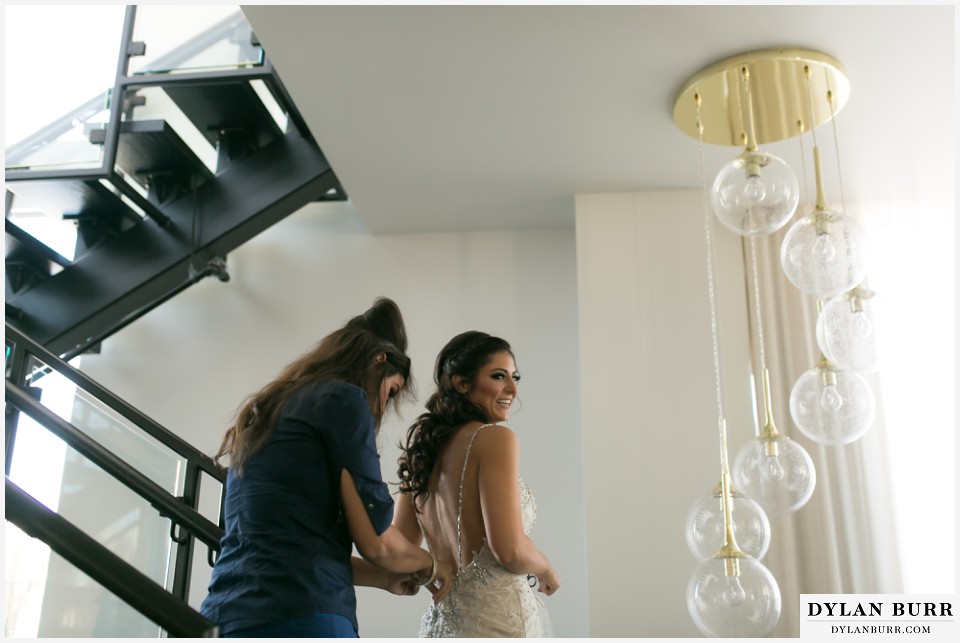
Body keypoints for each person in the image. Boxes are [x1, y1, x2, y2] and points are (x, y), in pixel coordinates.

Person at [199, 297, 452, 638]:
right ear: (379, 360)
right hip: (302, 617)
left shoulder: (268, 411)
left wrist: (384, 578)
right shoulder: (343, 401)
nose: (382, 405)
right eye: (390, 392)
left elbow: (290, 548)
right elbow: (377, 544)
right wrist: (431, 564)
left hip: (226, 616)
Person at [395, 331, 560, 637]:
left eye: (515, 377)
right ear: (461, 383)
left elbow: (400, 547)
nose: (512, 388)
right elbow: (509, 549)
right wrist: (545, 567)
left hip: (443, 625)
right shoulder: (495, 439)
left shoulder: (422, 451)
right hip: (498, 624)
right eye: (498, 376)